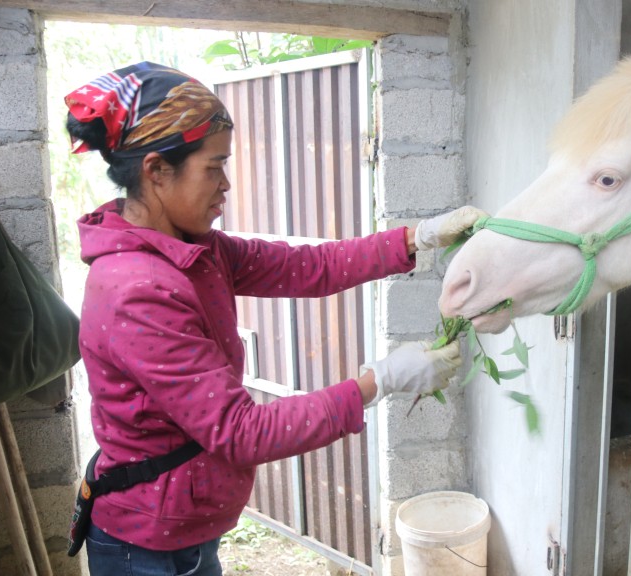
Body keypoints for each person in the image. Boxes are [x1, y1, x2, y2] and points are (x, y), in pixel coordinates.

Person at [65, 61, 485, 576]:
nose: (226, 184)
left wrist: (417, 237)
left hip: (186, 529)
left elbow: (310, 267)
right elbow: (240, 431)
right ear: (155, 170)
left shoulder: (195, 250)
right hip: (145, 546)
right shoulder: (137, 288)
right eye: (213, 166)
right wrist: (381, 381)